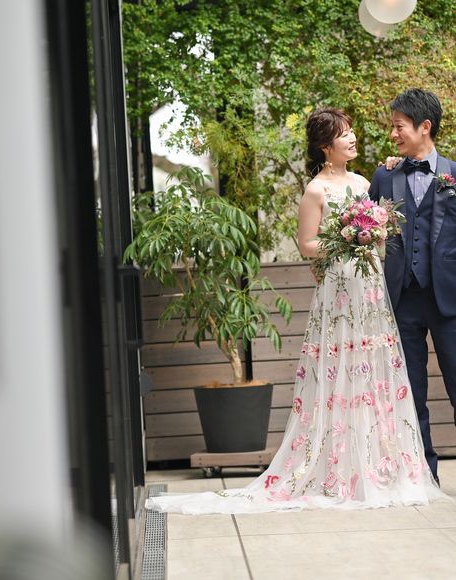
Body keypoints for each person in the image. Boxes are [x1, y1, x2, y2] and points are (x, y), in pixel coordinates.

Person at [146, 107, 449, 514]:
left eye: (351, 131)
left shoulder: (365, 182)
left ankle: (379, 465)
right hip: (340, 290)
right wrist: (348, 237)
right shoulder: (315, 190)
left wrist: (373, 231)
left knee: (374, 369)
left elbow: (385, 228)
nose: (353, 138)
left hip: (371, 289)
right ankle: (339, 469)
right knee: (342, 370)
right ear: (325, 146)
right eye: (344, 134)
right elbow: (307, 244)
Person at [369, 89, 456, 485]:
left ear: (425, 127)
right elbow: (365, 226)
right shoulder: (385, 176)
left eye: (399, 126)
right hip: (401, 299)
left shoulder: (453, 174)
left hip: (449, 301)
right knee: (410, 392)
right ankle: (424, 477)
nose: (393, 134)